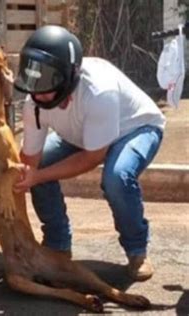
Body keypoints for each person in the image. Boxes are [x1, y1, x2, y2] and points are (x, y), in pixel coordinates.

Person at [13, 25, 166, 281]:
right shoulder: (35, 103)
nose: (37, 89)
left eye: (46, 78)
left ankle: (137, 251)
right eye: (33, 77)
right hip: (81, 136)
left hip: (135, 129)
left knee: (117, 178)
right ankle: (58, 245)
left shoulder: (99, 93)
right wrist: (24, 176)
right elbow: (30, 160)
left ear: (67, 76)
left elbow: (92, 157)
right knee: (37, 171)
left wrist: (38, 176)